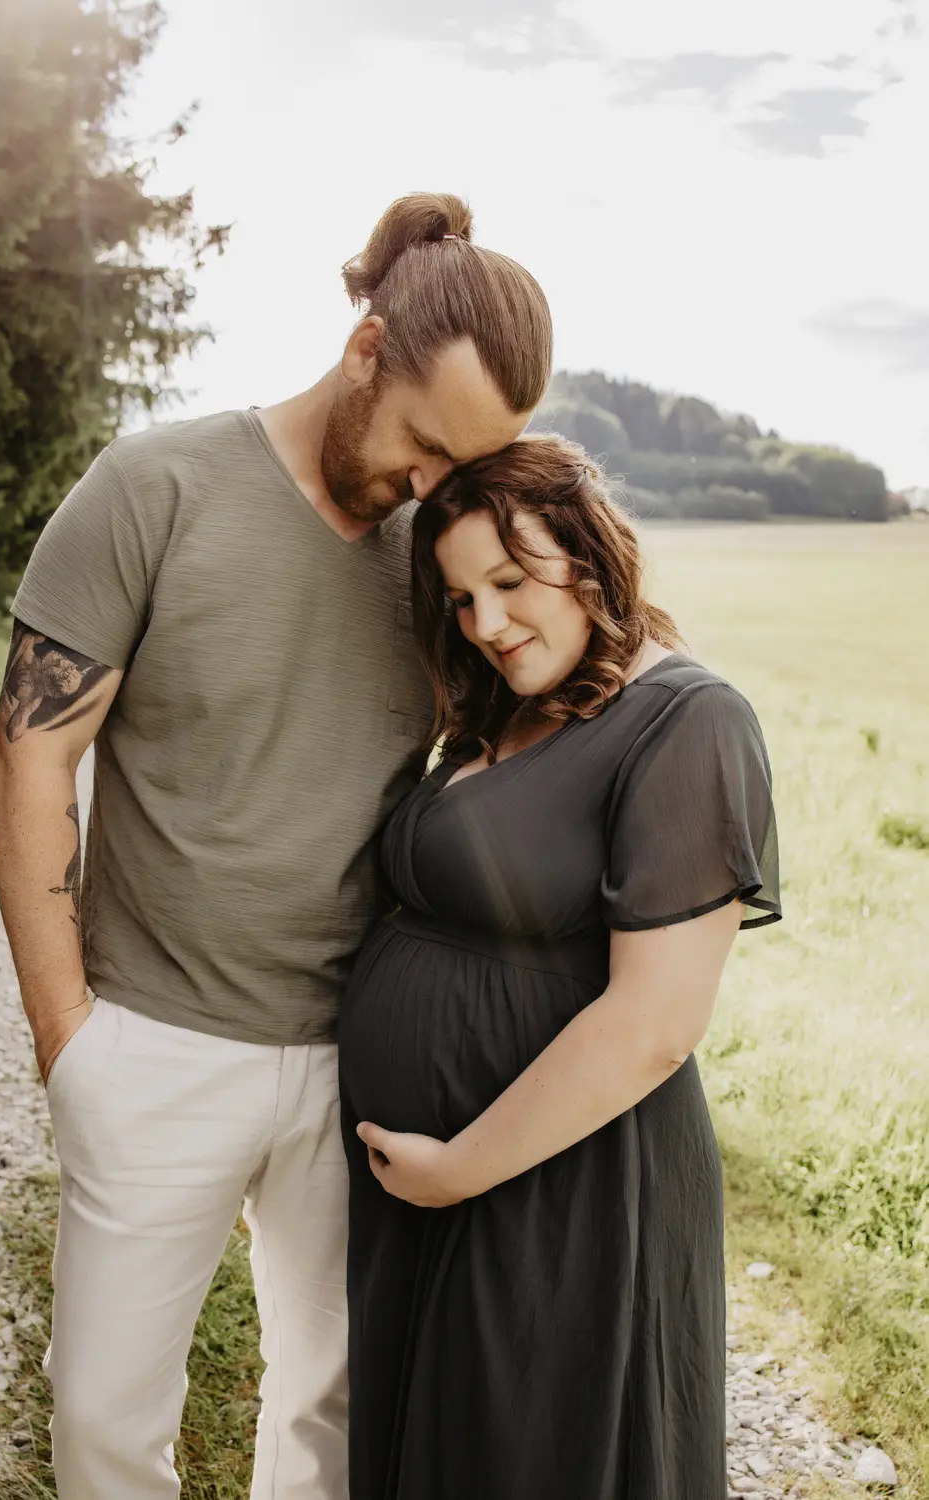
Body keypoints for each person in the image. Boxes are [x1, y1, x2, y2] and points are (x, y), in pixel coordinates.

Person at [0, 192, 552, 1500]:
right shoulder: (155, 486)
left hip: (357, 1053)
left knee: (335, 1419)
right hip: (150, 1042)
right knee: (102, 1419)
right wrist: (66, 1034)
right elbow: (31, 757)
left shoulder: (437, 562)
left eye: (455, 472)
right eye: (421, 448)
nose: (429, 490)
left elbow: (555, 692)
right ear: (364, 351)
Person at [338, 435, 781, 1500]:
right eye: (460, 598)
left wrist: (460, 1170)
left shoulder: (689, 722)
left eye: (507, 581)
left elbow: (654, 1024)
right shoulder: (509, 707)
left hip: (558, 1187)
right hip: (441, 1183)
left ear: (588, 553)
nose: (485, 624)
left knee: (526, 1455)